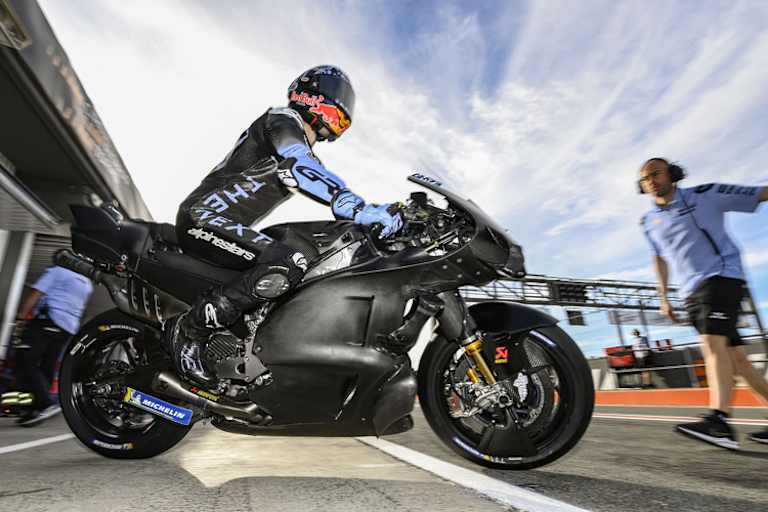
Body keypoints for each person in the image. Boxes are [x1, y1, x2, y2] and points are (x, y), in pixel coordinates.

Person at [164, 65, 403, 387]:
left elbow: (311, 170)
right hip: (203, 216)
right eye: (340, 97)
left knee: (305, 258)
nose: (344, 108)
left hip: (224, 225)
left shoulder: (300, 145)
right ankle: (191, 329)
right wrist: (358, 207)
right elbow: (300, 168)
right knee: (289, 259)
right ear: (315, 94)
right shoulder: (282, 121)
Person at [639, 157, 768, 449]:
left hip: (722, 276)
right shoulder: (648, 222)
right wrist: (663, 297)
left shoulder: (705, 195)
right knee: (739, 362)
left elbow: (761, 193)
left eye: (656, 174)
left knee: (711, 344)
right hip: (691, 292)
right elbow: (658, 258)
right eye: (645, 179)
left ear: (672, 174)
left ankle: (719, 421)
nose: (651, 181)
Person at [11, 251, 94, 426]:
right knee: (47, 366)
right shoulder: (87, 283)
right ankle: (36, 409)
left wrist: (20, 318)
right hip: (67, 329)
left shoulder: (57, 272)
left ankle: (46, 402)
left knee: (24, 360)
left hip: (47, 321)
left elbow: (36, 294)